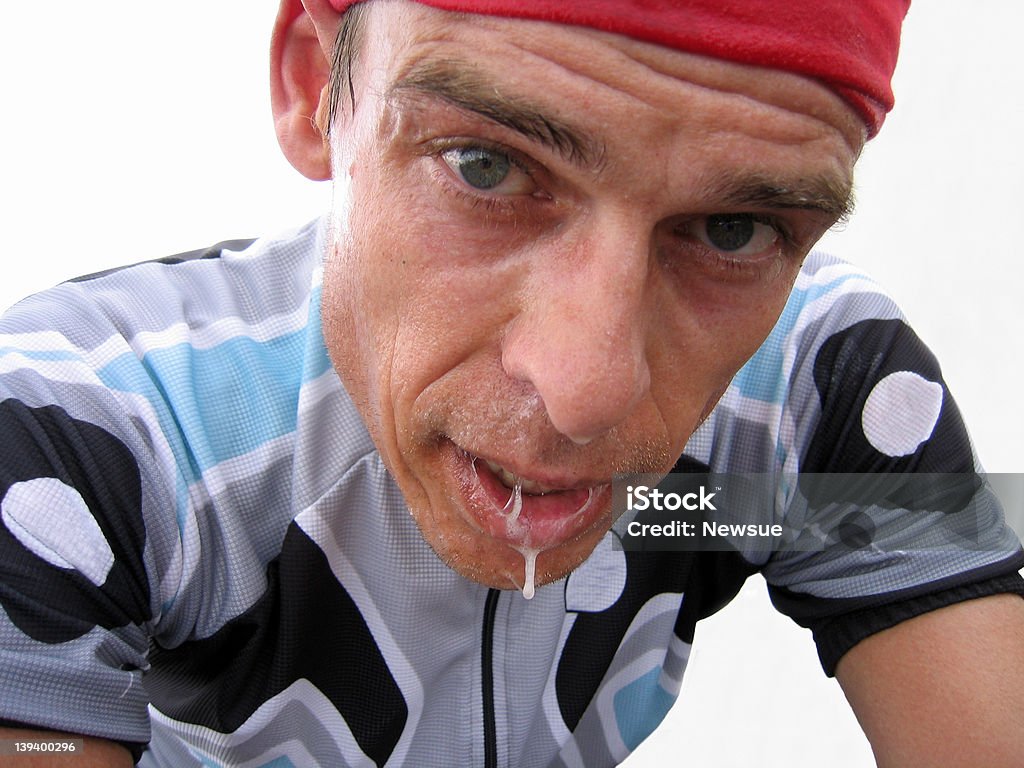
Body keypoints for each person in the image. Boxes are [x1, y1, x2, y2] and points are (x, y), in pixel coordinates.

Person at [1, 1, 1022, 767]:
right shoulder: (79, 442)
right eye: (485, 167)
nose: (585, 393)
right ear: (320, 85)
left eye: (732, 230)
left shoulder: (814, 387)